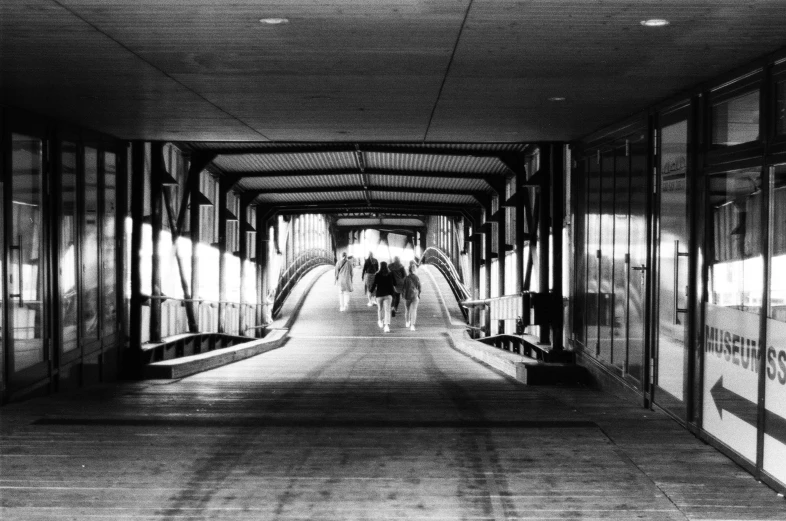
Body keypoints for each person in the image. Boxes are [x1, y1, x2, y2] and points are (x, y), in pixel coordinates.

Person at [370, 261, 394, 333]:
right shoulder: (390, 274)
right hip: (388, 295)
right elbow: (391, 285)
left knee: (380, 309)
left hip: (379, 295)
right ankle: (386, 326)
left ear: (380, 266)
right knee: (387, 310)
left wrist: (371, 292)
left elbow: (374, 284)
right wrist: (393, 295)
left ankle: (380, 321)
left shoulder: (377, 274)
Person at [402, 261, 421, 331]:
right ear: (415, 270)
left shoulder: (406, 278)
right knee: (414, 310)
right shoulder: (417, 278)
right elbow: (419, 287)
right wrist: (418, 295)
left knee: (407, 310)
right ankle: (412, 325)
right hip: (415, 296)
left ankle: (407, 322)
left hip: (407, 296)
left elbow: (403, 288)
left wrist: (403, 296)